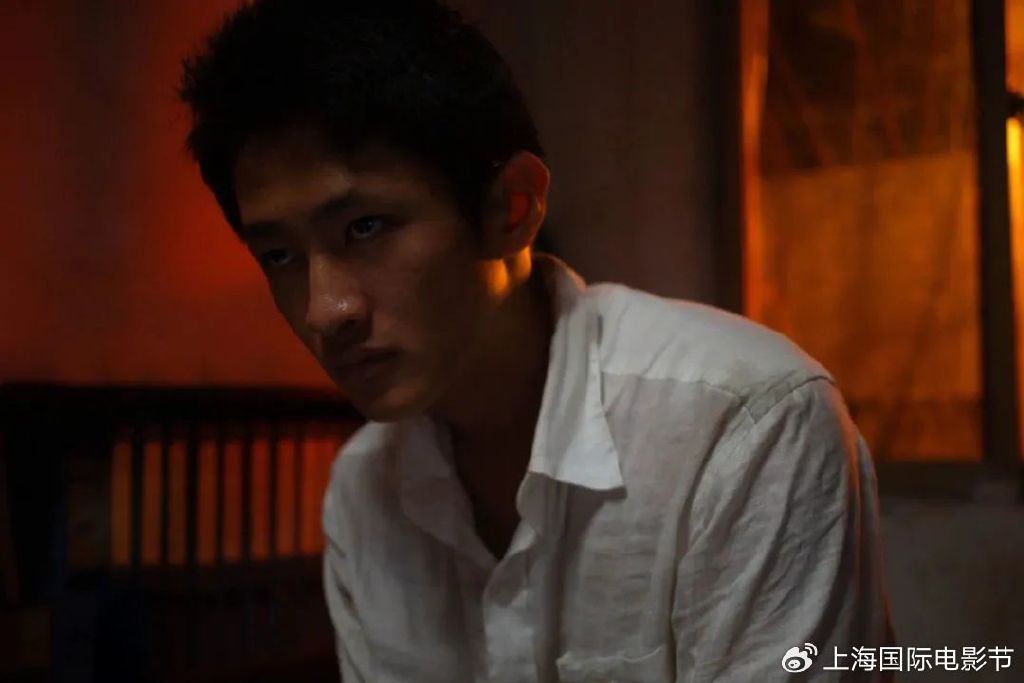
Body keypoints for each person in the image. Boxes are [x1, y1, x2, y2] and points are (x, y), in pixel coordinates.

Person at [179, 0, 896, 680]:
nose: (324, 310)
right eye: (279, 255)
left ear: (512, 209)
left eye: (365, 227)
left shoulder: (743, 423)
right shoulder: (364, 490)